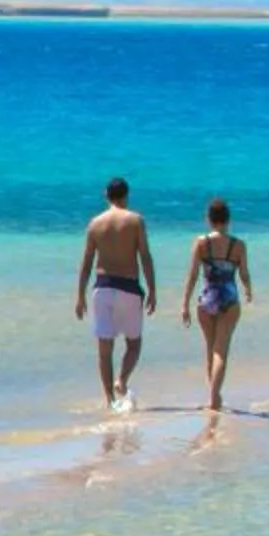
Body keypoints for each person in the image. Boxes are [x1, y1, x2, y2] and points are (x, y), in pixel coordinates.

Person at [73, 176, 157, 412]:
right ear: (126, 196)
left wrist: (80, 295)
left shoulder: (95, 224)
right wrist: (152, 289)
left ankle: (110, 400)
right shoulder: (135, 220)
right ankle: (122, 380)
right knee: (134, 344)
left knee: (104, 349)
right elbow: (145, 256)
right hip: (129, 287)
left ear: (106, 196)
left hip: (103, 287)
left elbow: (87, 262)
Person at [178, 197, 255, 412]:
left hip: (207, 299)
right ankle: (214, 397)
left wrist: (184, 304)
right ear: (228, 219)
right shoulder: (238, 245)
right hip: (229, 299)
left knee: (210, 349)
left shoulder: (201, 243)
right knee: (220, 351)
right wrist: (248, 290)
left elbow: (192, 275)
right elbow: (244, 274)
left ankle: (213, 396)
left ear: (209, 219)